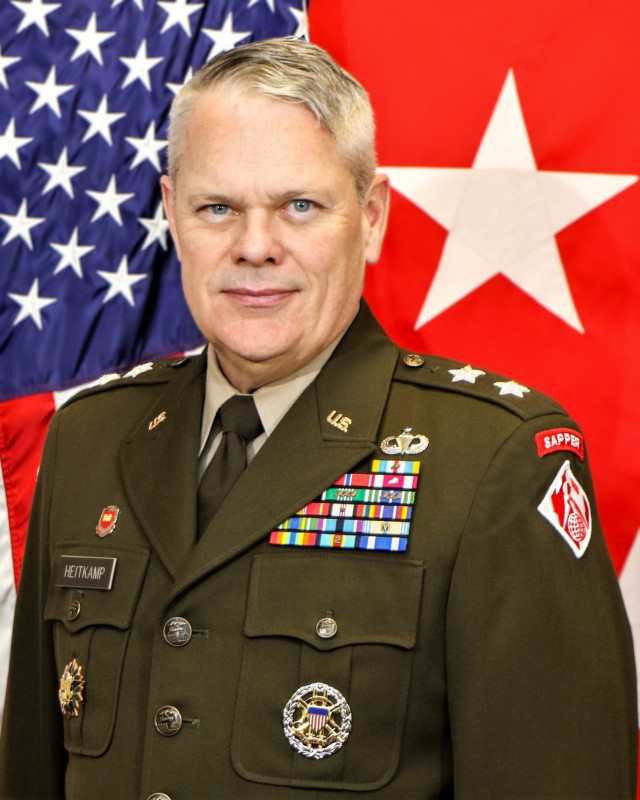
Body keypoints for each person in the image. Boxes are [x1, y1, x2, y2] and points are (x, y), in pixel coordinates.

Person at [0, 37, 636, 800]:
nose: (256, 247)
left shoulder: (495, 459)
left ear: (370, 218)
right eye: (217, 208)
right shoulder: (93, 437)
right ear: (172, 213)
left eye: (299, 206)